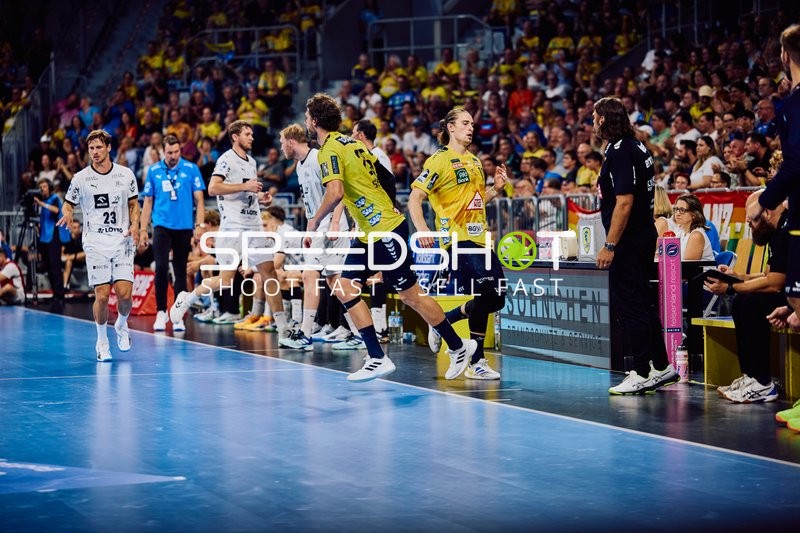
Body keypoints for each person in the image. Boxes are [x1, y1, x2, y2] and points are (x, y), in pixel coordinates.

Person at [304, 92, 476, 382]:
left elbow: (335, 192)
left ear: (315, 121)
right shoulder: (352, 143)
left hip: (384, 230)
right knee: (345, 287)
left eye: (308, 117)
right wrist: (387, 203)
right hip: (370, 231)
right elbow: (386, 177)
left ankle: (458, 345)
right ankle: (376, 357)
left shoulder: (329, 150)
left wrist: (314, 221)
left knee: (410, 294)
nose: (307, 121)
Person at [408, 106, 508, 380]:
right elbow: (415, 197)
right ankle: (477, 362)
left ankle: (444, 321)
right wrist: (423, 230)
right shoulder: (438, 160)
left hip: (480, 237)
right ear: (450, 127)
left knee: (496, 298)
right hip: (457, 238)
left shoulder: (475, 161)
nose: (471, 128)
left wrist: (495, 190)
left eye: (472, 124)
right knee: (486, 293)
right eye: (465, 123)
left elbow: (476, 202)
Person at [169, 120, 290, 336]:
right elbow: (213, 188)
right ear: (235, 136)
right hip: (233, 227)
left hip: (253, 226)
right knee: (226, 281)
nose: (252, 137)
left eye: (251, 134)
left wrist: (260, 198)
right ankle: (187, 298)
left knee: (269, 273)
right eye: (247, 134)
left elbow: (246, 193)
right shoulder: (226, 159)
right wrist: (245, 186)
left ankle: (283, 330)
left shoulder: (252, 162)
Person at [592, 97, 678, 394]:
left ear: (603, 119)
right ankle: (662, 366)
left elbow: (625, 202)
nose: (592, 122)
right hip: (641, 235)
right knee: (642, 302)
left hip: (628, 240)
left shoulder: (621, 151)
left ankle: (641, 371)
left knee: (631, 305)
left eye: (594, 117)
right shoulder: (635, 145)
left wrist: (610, 245)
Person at [57, 129, 140, 362]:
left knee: (125, 296)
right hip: (95, 243)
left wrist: (135, 225)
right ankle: (102, 340)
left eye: (99, 147)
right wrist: (68, 214)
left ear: (108, 148)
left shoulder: (125, 175)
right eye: (91, 148)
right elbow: (68, 203)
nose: (94, 152)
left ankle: (121, 324)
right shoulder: (81, 178)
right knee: (102, 296)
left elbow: (134, 204)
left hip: (122, 241)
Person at [705, 190, 786, 403]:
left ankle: (763, 383)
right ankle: (751, 375)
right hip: (788, 291)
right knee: (742, 302)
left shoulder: (786, 230)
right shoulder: (775, 230)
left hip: (793, 294)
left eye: (751, 221)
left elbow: (775, 283)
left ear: (766, 212)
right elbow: (768, 274)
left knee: (751, 304)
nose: (749, 225)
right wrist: (738, 277)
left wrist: (731, 287)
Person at [275, 123, 350, 350]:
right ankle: (360, 333)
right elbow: (312, 203)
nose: (281, 148)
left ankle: (305, 334)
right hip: (318, 228)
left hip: (331, 227)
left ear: (291, 142)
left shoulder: (319, 158)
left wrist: (335, 223)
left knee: (310, 275)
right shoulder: (300, 166)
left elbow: (339, 191)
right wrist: (310, 229)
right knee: (335, 282)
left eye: (282, 143)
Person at [747, 24, 800, 330]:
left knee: (795, 297)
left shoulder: (792, 105)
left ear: (785, 55)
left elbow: (795, 163)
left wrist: (763, 201)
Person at [140, 134, 206, 332]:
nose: (173, 156)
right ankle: (161, 312)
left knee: (180, 271)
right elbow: (148, 201)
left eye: (176, 152)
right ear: (163, 151)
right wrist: (143, 229)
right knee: (160, 267)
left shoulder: (191, 169)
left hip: (184, 227)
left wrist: (200, 225)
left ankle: (177, 315)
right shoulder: (153, 170)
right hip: (161, 226)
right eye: (169, 152)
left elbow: (199, 199)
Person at [33, 177, 69, 305]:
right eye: (40, 187)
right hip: (44, 236)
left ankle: (60, 295)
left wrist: (41, 204)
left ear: (49, 187)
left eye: (44, 186)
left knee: (55, 265)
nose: (42, 189)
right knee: (48, 265)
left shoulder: (54, 198)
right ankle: (55, 293)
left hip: (54, 236)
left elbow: (56, 210)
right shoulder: (43, 201)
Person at [673, 194, 715, 261]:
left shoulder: (696, 235)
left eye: (682, 210)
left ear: (694, 215)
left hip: (696, 268)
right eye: (676, 209)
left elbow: (688, 266)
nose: (677, 213)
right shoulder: (680, 232)